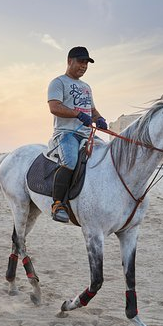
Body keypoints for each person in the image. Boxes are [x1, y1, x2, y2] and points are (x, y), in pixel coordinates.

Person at [47, 46, 107, 223]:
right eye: (81, 61)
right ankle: (58, 204)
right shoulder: (58, 82)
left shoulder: (86, 87)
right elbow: (54, 107)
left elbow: (92, 109)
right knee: (71, 161)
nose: (84, 66)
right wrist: (77, 114)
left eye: (87, 63)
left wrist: (99, 118)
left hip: (88, 134)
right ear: (69, 61)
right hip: (66, 133)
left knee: (107, 155)